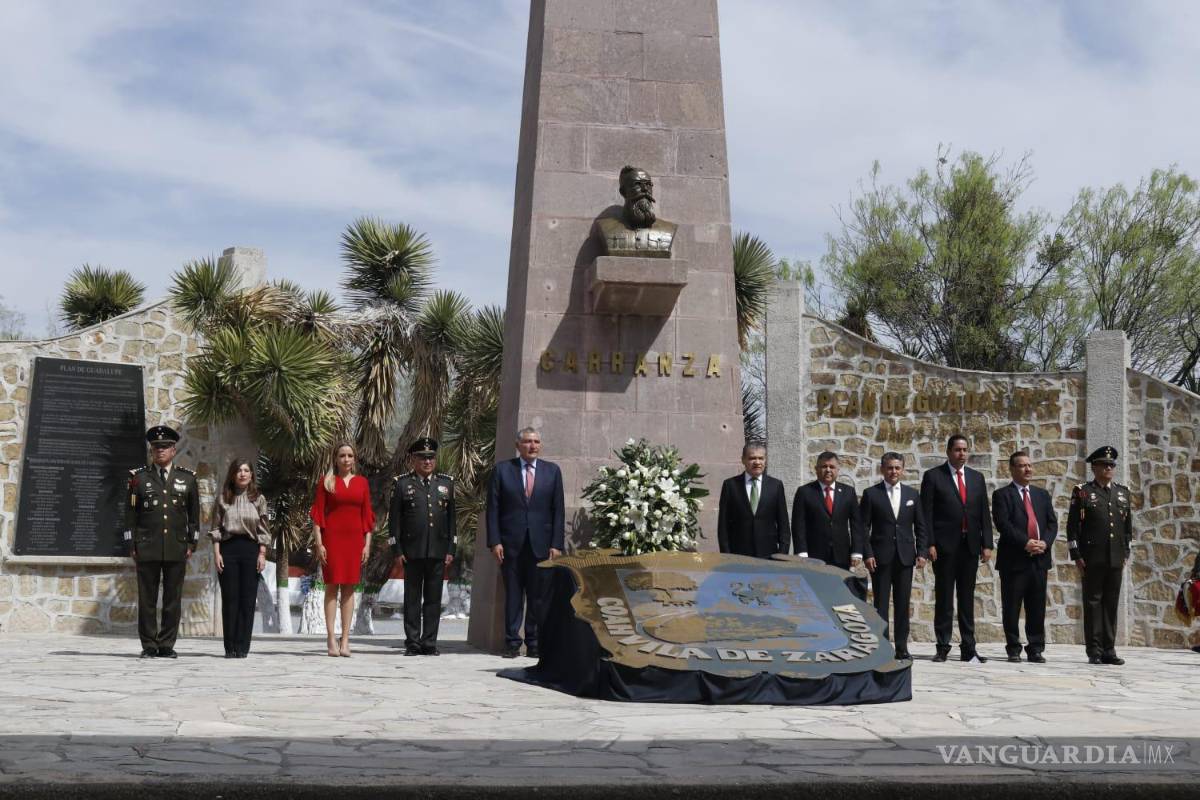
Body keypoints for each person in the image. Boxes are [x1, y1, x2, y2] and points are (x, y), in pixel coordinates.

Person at [486, 426, 565, 659]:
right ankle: (512, 642)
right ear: (518, 445)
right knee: (513, 596)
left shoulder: (552, 471)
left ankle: (534, 642)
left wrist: (556, 544)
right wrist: (494, 541)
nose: (533, 446)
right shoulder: (502, 470)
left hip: (542, 545)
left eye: (536, 442)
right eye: (528, 442)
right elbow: (493, 509)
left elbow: (558, 511)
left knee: (538, 597)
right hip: (510, 545)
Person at [124, 425, 200, 659]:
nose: (160, 450)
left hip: (176, 547)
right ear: (151, 450)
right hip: (147, 546)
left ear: (173, 450)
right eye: (156, 447)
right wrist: (131, 544)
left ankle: (166, 644)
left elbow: (194, 516)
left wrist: (191, 543)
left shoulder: (187, 478)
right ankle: (149, 644)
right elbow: (130, 515)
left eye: (165, 446)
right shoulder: (138, 478)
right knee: (147, 599)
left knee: (172, 599)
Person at [921, 434, 994, 663]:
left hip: (970, 546)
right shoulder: (933, 476)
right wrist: (929, 543)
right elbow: (926, 514)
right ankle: (942, 646)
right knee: (944, 598)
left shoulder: (976, 478)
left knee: (966, 598)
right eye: (957, 450)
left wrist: (987, 543)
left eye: (964, 450)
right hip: (944, 547)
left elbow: (983, 512)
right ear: (948, 452)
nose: (961, 453)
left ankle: (968, 647)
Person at [389, 437, 456, 656]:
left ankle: (429, 643)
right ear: (413, 460)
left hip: (437, 551)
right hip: (412, 551)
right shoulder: (402, 484)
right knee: (412, 599)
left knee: (433, 599)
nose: (427, 461)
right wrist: (397, 550)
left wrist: (451, 548)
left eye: (431, 457)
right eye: (422, 458)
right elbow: (394, 522)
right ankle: (413, 643)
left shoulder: (446, 484)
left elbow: (451, 520)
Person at [1068, 446, 1133, 665]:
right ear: (1094, 467)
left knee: (1111, 603)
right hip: (1091, 557)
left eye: (1111, 465)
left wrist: (1126, 552)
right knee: (1093, 603)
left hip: (1116, 557)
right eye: (1104, 465)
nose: (1109, 468)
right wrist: (1076, 555)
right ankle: (1094, 650)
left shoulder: (1123, 492)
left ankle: (1109, 649)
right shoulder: (1083, 491)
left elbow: (1127, 528)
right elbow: (1072, 527)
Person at [859, 452, 927, 660]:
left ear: (903, 470)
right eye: (889, 468)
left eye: (897, 468)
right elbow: (863, 528)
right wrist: (867, 554)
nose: (893, 471)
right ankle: (882, 646)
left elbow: (921, 526)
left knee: (902, 603)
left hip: (905, 557)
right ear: (882, 469)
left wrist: (922, 552)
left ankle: (901, 647)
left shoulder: (912, 494)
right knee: (880, 604)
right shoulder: (871, 494)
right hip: (880, 557)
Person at [991, 451, 1057, 663]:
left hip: (1039, 559)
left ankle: (1035, 648)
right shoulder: (1002, 495)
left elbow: (1052, 523)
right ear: (1012, 469)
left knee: (1037, 606)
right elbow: (1003, 524)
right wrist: (1025, 542)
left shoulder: (1042, 495)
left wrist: (1045, 542)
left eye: (1029, 465)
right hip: (1014, 560)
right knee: (1012, 607)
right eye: (1022, 465)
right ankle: (1013, 648)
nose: (1027, 469)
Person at [310, 443, 375, 658]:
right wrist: (319, 543)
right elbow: (318, 515)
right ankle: (331, 638)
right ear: (335, 459)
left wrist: (367, 544)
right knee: (331, 587)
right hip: (331, 540)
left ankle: (345, 640)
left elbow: (367, 517)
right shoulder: (326, 482)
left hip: (355, 542)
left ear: (354, 459)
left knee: (349, 589)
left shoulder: (362, 483)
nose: (346, 459)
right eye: (342, 455)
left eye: (349, 455)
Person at [211, 459, 272, 659]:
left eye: (246, 470)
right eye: (239, 470)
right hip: (228, 549)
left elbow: (263, 529)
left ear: (252, 475)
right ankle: (230, 647)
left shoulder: (259, 499)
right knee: (230, 599)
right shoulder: (223, 499)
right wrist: (217, 553)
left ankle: (242, 646)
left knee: (247, 600)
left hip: (250, 549)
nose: (243, 474)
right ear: (232, 474)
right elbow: (216, 528)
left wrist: (262, 554)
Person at [792, 451, 866, 598]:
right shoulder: (804, 492)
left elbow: (856, 524)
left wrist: (857, 551)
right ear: (816, 469)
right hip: (813, 556)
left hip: (842, 555)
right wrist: (801, 552)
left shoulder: (848, 492)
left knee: (840, 595)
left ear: (838, 469)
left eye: (832, 467)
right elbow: (798, 525)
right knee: (816, 594)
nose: (828, 470)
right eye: (824, 466)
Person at [716, 442, 790, 558]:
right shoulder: (730, 485)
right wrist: (726, 555)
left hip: (769, 555)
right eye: (752, 458)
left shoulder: (776, 486)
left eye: (761, 458)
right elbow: (723, 525)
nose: (757, 462)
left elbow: (783, 524)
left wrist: (782, 555)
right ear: (743, 460)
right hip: (738, 555)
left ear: (765, 460)